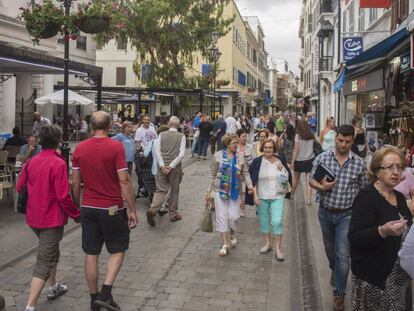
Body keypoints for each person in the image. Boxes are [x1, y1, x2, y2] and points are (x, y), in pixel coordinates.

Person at [71, 111, 137, 311]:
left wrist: (77, 206)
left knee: (91, 253)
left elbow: (75, 183)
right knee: (118, 248)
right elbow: (124, 180)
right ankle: (106, 293)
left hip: (89, 206)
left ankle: (94, 300)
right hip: (111, 207)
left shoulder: (80, 148)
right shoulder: (116, 147)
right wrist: (132, 209)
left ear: (91, 126)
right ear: (109, 127)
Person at [17, 125, 80, 311]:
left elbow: (20, 186)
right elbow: (63, 196)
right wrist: (77, 214)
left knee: (52, 251)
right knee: (44, 260)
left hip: (33, 217)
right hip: (50, 219)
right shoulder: (58, 163)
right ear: (59, 141)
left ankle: (53, 286)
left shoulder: (31, 161)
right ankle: (30, 305)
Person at [309, 124, 368, 311]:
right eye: (340, 140)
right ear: (336, 138)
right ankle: (335, 270)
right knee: (329, 249)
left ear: (352, 141)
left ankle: (339, 292)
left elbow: (364, 188)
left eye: (347, 142)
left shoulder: (359, 163)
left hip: (347, 215)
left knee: (343, 255)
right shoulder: (323, 158)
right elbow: (311, 179)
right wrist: (322, 187)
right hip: (325, 212)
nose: (343, 144)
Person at [348, 146, 412, 311]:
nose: (396, 171)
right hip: (375, 278)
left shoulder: (399, 197)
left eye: (399, 167)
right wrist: (382, 231)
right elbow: (355, 237)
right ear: (376, 171)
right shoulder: (367, 196)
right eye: (390, 167)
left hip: (399, 277)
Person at [206, 133, 254, 256]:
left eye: (237, 143)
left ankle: (231, 233)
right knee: (222, 217)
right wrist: (208, 192)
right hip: (219, 190)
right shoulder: (217, 156)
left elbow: (245, 173)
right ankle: (225, 244)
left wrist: (249, 185)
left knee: (233, 217)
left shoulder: (240, 157)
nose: (237, 145)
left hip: (235, 191)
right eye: (234, 143)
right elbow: (212, 174)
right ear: (227, 144)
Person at [248, 139, 291, 260]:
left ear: (274, 149)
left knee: (277, 221)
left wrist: (282, 169)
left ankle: (278, 249)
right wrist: (255, 195)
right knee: (264, 221)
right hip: (262, 196)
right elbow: (252, 179)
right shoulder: (257, 161)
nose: (268, 150)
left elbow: (286, 179)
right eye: (266, 147)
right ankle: (267, 244)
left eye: (270, 148)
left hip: (277, 196)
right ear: (262, 148)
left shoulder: (280, 160)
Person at [146, 116, 186, 226]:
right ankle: (173, 214)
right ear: (178, 125)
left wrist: (163, 165)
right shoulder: (181, 136)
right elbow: (181, 154)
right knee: (174, 190)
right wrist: (172, 166)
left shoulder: (161, 135)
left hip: (161, 167)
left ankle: (153, 209)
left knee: (160, 190)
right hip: (175, 168)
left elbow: (157, 151)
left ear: (169, 124)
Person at [291, 119, 316, 206]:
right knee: (309, 180)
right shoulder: (312, 135)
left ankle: (292, 194)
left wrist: (292, 162)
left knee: (295, 179)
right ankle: (308, 200)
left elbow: (295, 150)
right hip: (310, 160)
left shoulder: (298, 136)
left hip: (299, 160)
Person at [134, 114, 158, 197]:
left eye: (148, 120)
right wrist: (138, 151)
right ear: (142, 121)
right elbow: (137, 142)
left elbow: (156, 139)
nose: (147, 121)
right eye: (146, 120)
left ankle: (151, 187)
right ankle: (143, 187)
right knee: (142, 171)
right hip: (144, 153)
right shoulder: (139, 130)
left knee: (152, 171)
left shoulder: (152, 129)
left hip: (153, 153)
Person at [237, 129, 254, 218]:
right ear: (238, 137)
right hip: (236, 175)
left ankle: (242, 209)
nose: (245, 138)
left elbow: (253, 160)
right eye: (243, 136)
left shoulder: (250, 147)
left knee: (243, 191)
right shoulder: (234, 147)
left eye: (246, 136)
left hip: (246, 172)